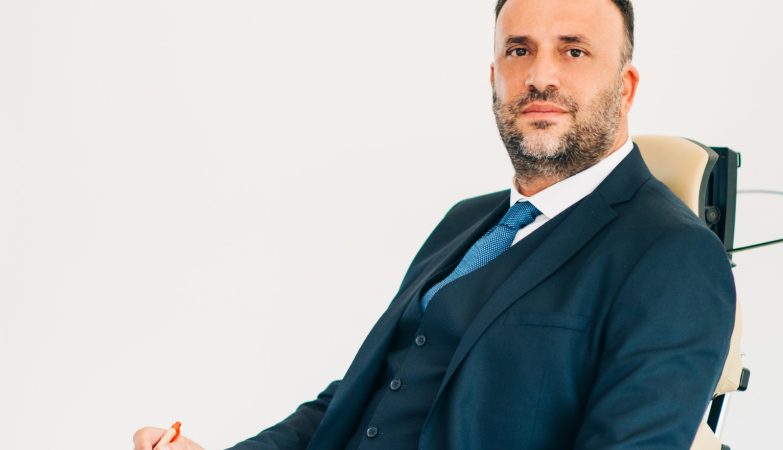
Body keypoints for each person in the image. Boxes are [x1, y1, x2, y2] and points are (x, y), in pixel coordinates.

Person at [134, 0, 735, 448]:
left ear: (625, 89)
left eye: (573, 51)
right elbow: (358, 400)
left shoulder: (675, 257)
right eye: (518, 50)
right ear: (494, 78)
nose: (539, 76)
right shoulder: (466, 221)